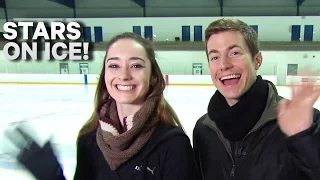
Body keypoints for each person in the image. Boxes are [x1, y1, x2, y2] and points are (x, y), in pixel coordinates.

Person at [5, 32, 198, 180]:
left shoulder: (173, 144)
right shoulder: (89, 140)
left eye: (136, 65)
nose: (124, 75)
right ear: (105, 76)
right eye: (114, 65)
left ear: (154, 77)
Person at [192, 18, 320, 180]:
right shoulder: (204, 130)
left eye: (235, 53)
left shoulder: (307, 123)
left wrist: (303, 140)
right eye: (215, 57)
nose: (224, 65)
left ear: (257, 60)